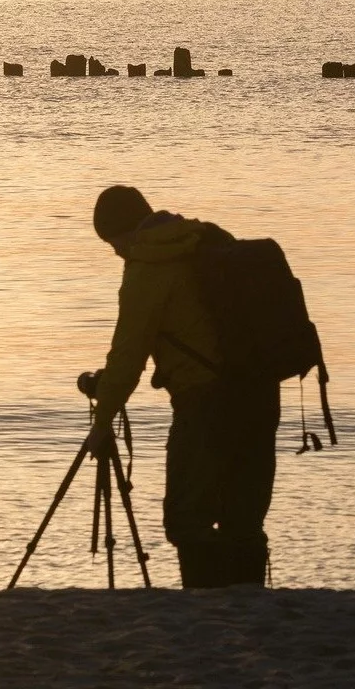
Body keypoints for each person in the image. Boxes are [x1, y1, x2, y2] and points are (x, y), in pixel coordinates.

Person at [86, 185, 280, 588]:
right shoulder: (203, 239)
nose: (116, 253)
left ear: (123, 232)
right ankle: (249, 608)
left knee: (187, 517)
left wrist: (102, 420)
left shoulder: (149, 266)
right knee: (242, 517)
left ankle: (203, 607)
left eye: (112, 243)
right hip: (260, 392)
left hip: (205, 403)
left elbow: (127, 356)